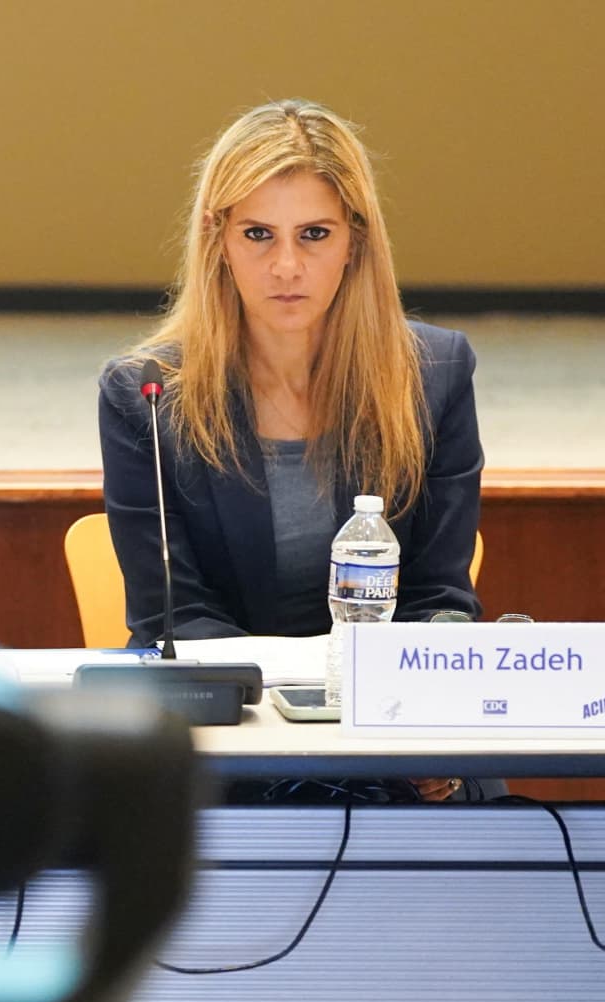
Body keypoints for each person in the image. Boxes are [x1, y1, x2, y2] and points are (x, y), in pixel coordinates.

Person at [98, 99, 482, 649]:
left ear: (355, 240)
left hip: (377, 693)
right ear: (217, 240)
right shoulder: (145, 393)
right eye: (258, 234)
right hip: (221, 690)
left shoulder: (434, 375)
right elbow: (174, 615)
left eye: (314, 234)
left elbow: (439, 599)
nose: (286, 267)